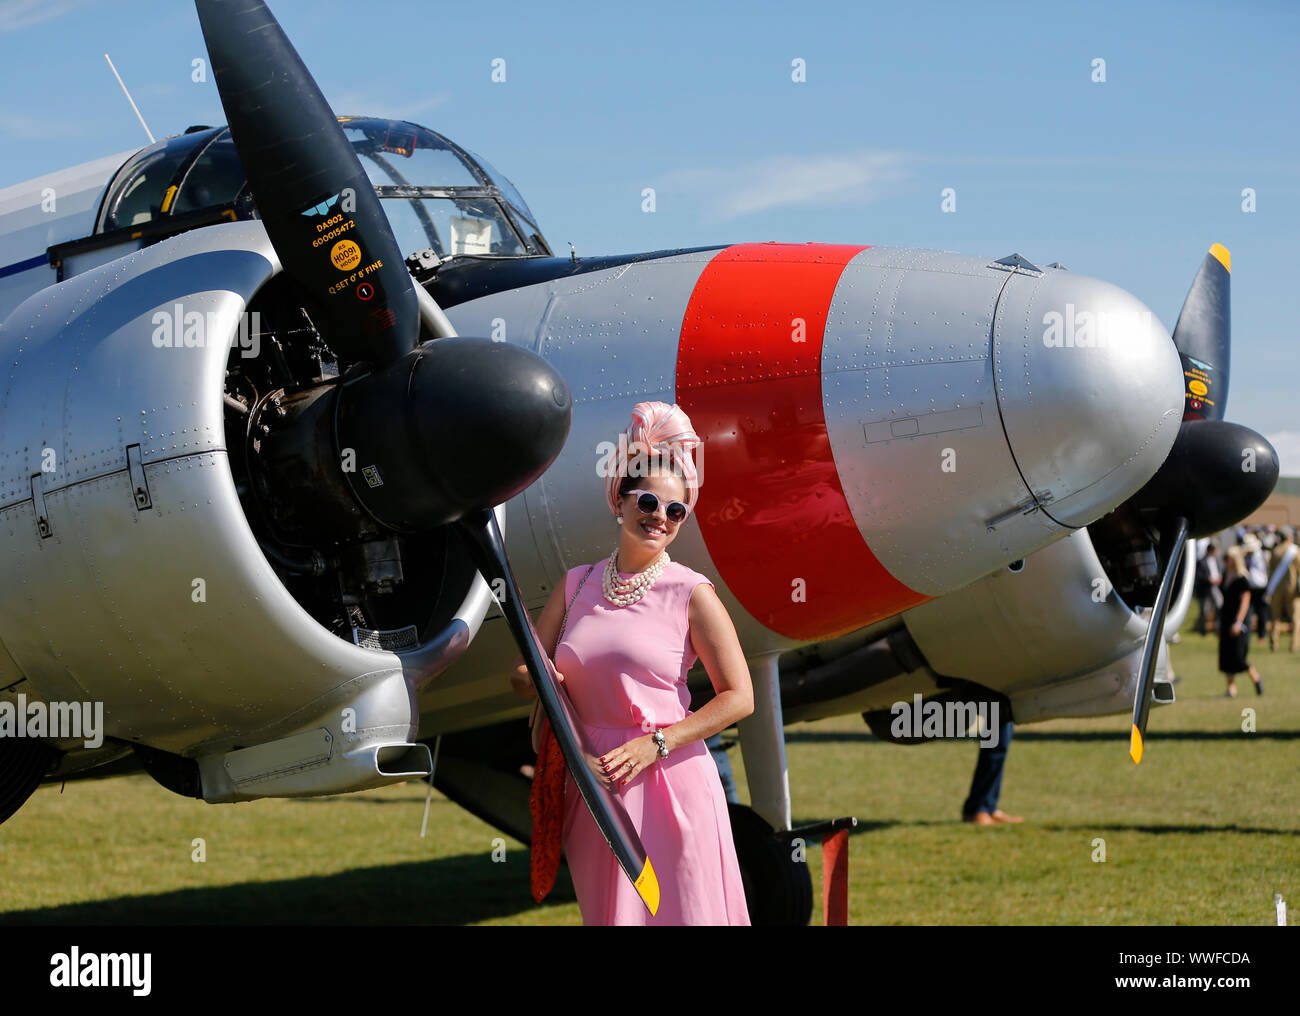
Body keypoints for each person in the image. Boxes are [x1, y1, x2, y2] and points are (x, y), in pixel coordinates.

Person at [511, 401, 753, 925]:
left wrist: (657, 743)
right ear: (618, 502)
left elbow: (739, 696)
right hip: (592, 785)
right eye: (647, 501)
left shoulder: (692, 592)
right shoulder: (575, 586)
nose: (659, 518)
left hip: (672, 781)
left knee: (687, 914)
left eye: (675, 510)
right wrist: (543, 679)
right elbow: (522, 673)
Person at [961, 693, 1021, 826]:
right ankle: (979, 808)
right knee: (996, 745)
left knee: (1001, 743)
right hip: (996, 690)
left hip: (1004, 692)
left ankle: (987, 806)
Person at [1219, 546, 1263, 697]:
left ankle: (1256, 678)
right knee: (1225, 656)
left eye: (1229, 558)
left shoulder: (1242, 578)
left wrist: (1238, 622)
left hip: (1238, 621)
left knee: (1239, 656)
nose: (1226, 560)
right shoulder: (1226, 575)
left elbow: (1245, 602)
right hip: (1225, 619)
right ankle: (1231, 689)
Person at [1267, 526, 1299, 652]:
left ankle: (1274, 643)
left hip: (1276, 589)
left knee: (1276, 618)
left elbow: (1270, 570)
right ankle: (1294, 645)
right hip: (1292, 589)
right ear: (1290, 537)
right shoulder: (1295, 551)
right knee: (1296, 619)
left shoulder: (1275, 551)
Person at [1243, 534, 1271, 643]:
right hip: (1250, 588)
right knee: (1248, 613)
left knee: (1262, 613)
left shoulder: (1262, 556)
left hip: (1261, 588)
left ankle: (1261, 636)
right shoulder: (1247, 557)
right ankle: (1247, 636)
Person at [1193, 539, 1222, 636]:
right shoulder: (1201, 562)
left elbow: (1218, 571)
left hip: (1215, 587)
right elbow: (1199, 576)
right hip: (1205, 589)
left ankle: (1217, 628)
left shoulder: (1216, 560)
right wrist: (1209, 579)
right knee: (1205, 610)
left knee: (1219, 605)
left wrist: (1219, 578)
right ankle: (1203, 630)